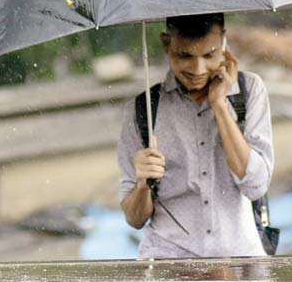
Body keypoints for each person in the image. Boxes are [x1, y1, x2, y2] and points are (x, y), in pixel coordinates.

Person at [117, 13, 275, 258]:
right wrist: (142, 184)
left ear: (224, 42)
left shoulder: (249, 91)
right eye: (185, 56)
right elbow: (134, 219)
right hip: (168, 261)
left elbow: (255, 186)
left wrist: (220, 106)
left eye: (209, 55)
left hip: (240, 259)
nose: (198, 69)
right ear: (166, 44)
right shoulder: (142, 111)